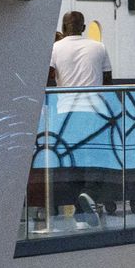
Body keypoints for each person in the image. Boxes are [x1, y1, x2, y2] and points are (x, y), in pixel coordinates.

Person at [45, 12, 114, 227]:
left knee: (71, 161)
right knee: (97, 158)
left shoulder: (55, 48)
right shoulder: (99, 47)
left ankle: (79, 204)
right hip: (94, 111)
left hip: (66, 112)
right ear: (83, 27)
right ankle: (88, 194)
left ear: (64, 27)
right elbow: (108, 82)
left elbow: (48, 78)